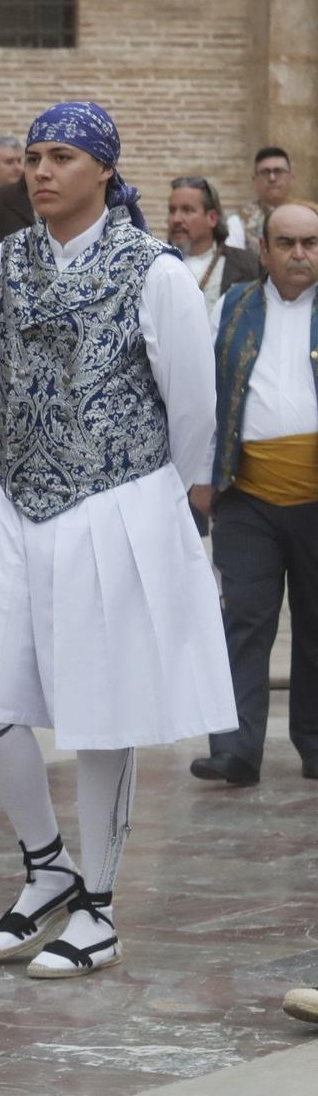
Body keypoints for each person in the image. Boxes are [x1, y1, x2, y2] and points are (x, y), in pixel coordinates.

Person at [0, 102, 234, 982]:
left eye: (62, 156)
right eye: (33, 156)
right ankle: (47, 864)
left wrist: (168, 502)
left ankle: (101, 907)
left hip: (117, 497)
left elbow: (192, 404)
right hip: (17, 498)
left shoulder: (154, 270)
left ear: (104, 170)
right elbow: (3, 373)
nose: (41, 171)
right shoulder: (4, 260)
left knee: (105, 708)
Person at [190, 200, 318, 787]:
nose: (299, 254)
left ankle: (314, 744)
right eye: (287, 243)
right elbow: (203, 393)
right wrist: (197, 473)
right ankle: (236, 749)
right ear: (263, 251)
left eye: (310, 243)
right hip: (246, 493)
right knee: (242, 618)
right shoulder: (231, 306)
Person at [167, 176, 260, 311]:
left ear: (212, 218)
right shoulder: (157, 264)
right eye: (172, 211)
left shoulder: (248, 265)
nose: (176, 219)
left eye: (187, 210)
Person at [233, 147, 295, 248]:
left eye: (278, 171)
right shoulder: (239, 221)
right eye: (265, 172)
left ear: (291, 178)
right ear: (255, 180)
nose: (272, 178)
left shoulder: (310, 215)